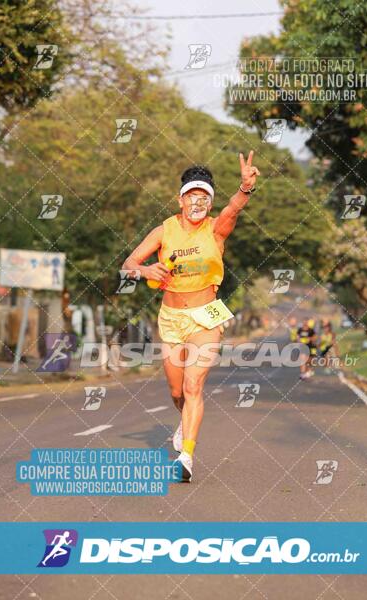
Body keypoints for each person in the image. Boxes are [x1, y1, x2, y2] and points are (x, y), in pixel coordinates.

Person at [122, 153, 260, 482]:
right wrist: (142, 270)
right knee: (176, 392)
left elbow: (233, 209)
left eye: (204, 198)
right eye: (191, 197)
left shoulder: (216, 230)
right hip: (170, 316)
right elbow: (128, 265)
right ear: (180, 199)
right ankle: (184, 419)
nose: (197, 203)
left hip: (206, 315)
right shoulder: (164, 230)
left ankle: (187, 454)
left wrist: (245, 188)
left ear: (209, 203)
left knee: (193, 384)